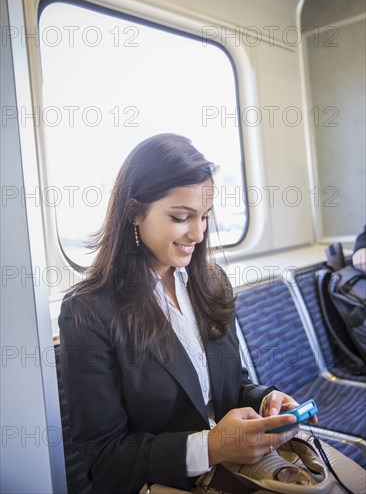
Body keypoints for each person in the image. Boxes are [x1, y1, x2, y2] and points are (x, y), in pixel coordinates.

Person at [58, 134, 315, 493]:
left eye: (205, 217)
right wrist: (212, 447)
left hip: (237, 466)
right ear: (134, 212)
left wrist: (264, 401)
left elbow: (230, 384)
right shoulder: (88, 312)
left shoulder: (211, 283)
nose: (198, 233)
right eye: (181, 217)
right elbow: (104, 460)